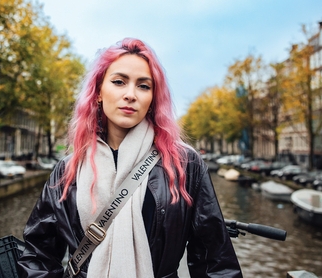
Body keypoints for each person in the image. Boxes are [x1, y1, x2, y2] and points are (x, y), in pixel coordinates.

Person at [17, 38, 243, 278]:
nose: (130, 94)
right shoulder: (68, 170)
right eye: (118, 82)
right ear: (98, 93)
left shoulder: (184, 164)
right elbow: (38, 256)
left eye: (143, 86)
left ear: (153, 99)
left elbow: (215, 262)